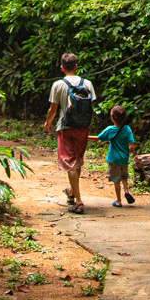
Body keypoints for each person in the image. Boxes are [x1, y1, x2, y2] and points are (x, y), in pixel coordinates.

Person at [43, 52, 96, 213]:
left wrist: (48, 122)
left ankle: (78, 201)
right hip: (83, 127)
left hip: (65, 127)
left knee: (70, 162)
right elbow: (91, 107)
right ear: (76, 66)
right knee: (77, 161)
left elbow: (53, 109)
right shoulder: (87, 83)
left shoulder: (58, 85)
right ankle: (72, 192)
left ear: (62, 68)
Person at [99, 105, 137, 207]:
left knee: (116, 180)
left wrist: (86, 137)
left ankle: (119, 200)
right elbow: (132, 141)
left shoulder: (110, 129)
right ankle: (126, 191)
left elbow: (99, 137)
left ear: (112, 118)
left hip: (114, 159)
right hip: (124, 158)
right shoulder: (127, 128)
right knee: (124, 176)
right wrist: (131, 148)